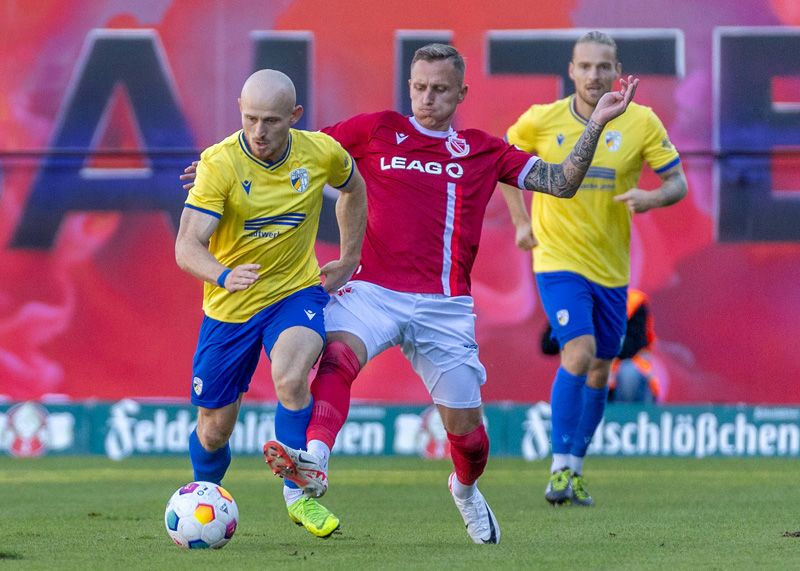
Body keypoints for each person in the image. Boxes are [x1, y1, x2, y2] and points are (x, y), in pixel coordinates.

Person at [182, 43, 637, 544]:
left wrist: (596, 125)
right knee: (335, 355)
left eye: (440, 89)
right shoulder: (378, 129)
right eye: (419, 87)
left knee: (470, 438)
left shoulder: (483, 150)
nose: (427, 98)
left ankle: (464, 490)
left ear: (462, 92)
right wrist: (217, 169)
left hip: (444, 306)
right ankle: (314, 462)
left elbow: (561, 182)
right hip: (373, 290)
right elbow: (288, 143)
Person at [174, 69, 367, 539]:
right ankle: (205, 495)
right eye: (250, 118)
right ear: (239, 108)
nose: (258, 132)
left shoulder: (320, 152)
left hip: (294, 292)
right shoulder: (219, 164)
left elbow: (354, 187)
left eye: (272, 121)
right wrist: (223, 274)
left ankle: (298, 496)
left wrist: (350, 257)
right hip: (230, 306)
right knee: (214, 430)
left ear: (295, 117)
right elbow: (186, 245)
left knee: (291, 376)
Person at [500, 31, 688, 507]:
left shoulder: (641, 121)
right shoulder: (542, 121)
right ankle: (558, 468)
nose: (593, 75)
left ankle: (576, 470)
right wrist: (521, 222)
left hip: (611, 268)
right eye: (585, 66)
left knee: (603, 365)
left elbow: (677, 182)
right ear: (571, 69)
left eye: (603, 66)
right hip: (557, 259)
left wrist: (652, 196)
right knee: (579, 354)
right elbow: (503, 164)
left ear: (616, 70)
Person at [540, 288, 661, 403]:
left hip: (625, 382)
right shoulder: (572, 303)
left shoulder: (632, 301)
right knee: (575, 372)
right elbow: (548, 346)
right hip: (588, 380)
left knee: (628, 373)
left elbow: (631, 348)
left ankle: (627, 420)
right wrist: (564, 313)